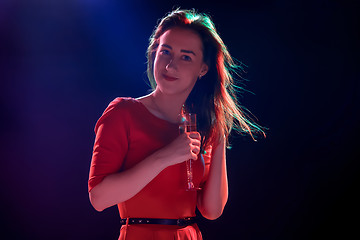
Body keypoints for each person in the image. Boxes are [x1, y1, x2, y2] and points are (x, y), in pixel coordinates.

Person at [88, 8, 265, 240]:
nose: (170, 65)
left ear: (203, 68)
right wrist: (166, 156)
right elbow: (99, 198)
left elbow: (212, 210)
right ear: (154, 53)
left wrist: (220, 131)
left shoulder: (199, 125)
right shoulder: (123, 113)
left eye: (186, 57)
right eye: (166, 52)